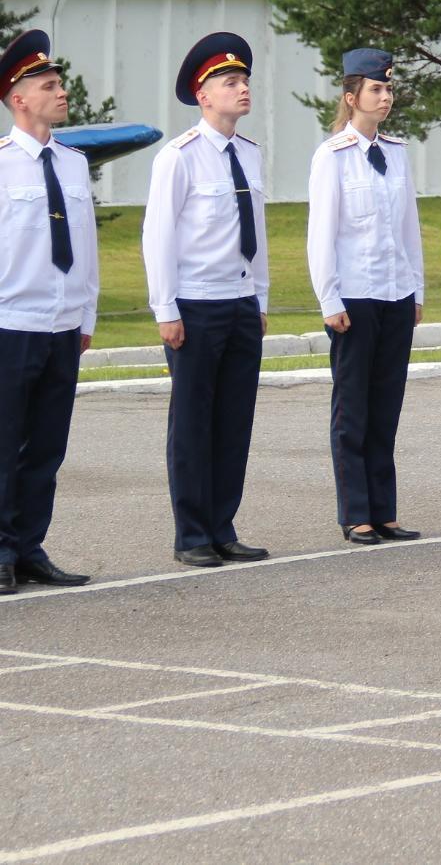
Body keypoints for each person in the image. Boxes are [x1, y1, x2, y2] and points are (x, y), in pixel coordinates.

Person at [142, 32, 270, 568]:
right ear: (203, 95)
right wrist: (165, 307)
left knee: (234, 421)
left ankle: (222, 526)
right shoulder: (181, 157)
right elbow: (158, 234)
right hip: (196, 304)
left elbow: (256, 230)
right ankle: (192, 533)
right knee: (193, 422)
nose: (242, 90)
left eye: (243, 81)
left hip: (239, 302)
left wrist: (260, 297)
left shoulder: (249, 154)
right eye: (229, 82)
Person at [307, 50, 426, 546]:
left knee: (386, 407)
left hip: (395, 293)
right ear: (351, 97)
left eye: (389, 89)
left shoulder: (396, 152)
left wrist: (416, 287)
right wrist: (329, 298)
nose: (385, 97)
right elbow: (322, 235)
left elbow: (409, 229)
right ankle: (356, 512)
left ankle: (385, 511)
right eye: (376, 89)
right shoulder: (331, 155)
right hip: (354, 297)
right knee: (353, 409)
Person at [0, 30, 97, 594]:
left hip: (61, 327)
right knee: (4, 442)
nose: (61, 92)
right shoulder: (4, 165)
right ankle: (1, 550)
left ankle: (29, 545)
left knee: (46, 446)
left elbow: (82, 245)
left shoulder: (73, 163)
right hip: (12, 324)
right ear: (20, 99)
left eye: (58, 83)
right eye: (49, 85)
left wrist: (86, 317)